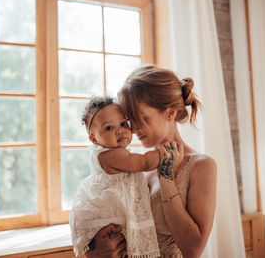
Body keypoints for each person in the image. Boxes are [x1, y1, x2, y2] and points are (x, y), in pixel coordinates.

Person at [85, 65, 217, 258]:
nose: (134, 128)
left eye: (142, 118)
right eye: (130, 120)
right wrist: (95, 251)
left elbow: (193, 250)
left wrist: (167, 177)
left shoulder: (201, 166)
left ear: (170, 113)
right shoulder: (134, 164)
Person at [69, 96, 183, 258]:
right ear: (94, 139)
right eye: (109, 128)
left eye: (123, 124)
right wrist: (165, 153)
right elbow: (142, 163)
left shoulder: (113, 154)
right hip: (109, 220)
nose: (120, 130)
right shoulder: (110, 155)